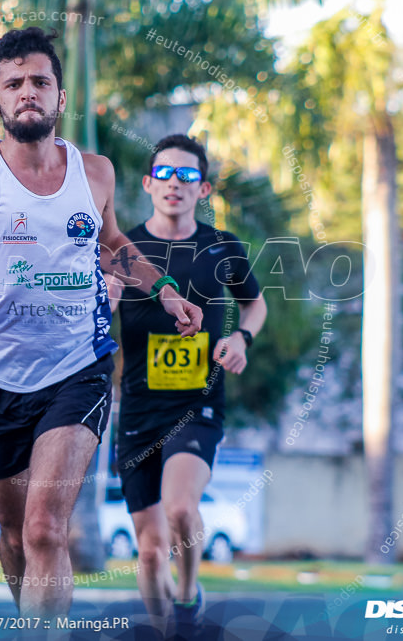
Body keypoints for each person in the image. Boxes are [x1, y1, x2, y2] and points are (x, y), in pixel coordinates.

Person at [0, 27, 203, 619]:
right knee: (15, 539)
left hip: (76, 371)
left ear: (60, 96)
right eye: (13, 84)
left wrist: (164, 290)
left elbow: (112, 243)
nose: (28, 92)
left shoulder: (95, 174)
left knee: (44, 531)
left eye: (40, 81)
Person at [106, 134, 267, 635]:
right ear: (148, 184)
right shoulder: (123, 250)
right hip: (135, 412)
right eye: (166, 174)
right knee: (150, 552)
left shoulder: (221, 247)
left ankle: (190, 591)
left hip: (196, 405)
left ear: (204, 190)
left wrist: (241, 337)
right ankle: (165, 630)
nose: (176, 184)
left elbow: (255, 304)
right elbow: (97, 315)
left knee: (180, 508)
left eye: (188, 175)